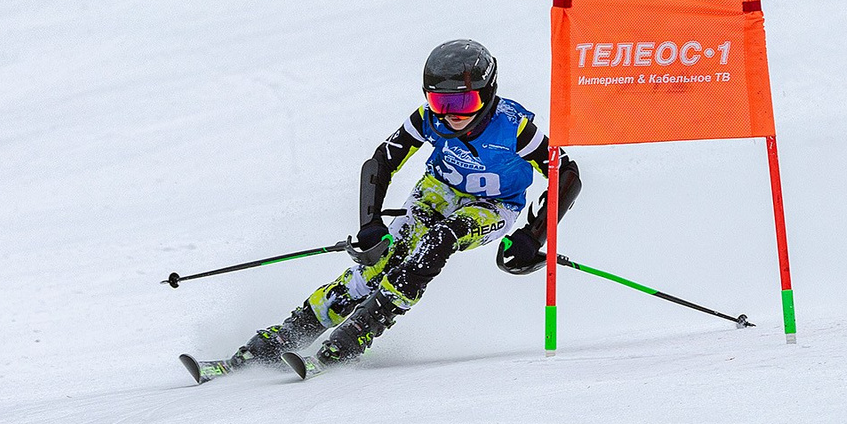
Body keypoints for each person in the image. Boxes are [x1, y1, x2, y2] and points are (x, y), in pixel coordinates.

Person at [184, 39, 581, 381]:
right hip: (438, 190)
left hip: (494, 206)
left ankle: (360, 331)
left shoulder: (514, 127)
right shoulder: (429, 119)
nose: (451, 113)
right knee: (379, 262)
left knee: (442, 240)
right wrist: (371, 225)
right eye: (440, 100)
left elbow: (567, 174)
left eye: (465, 100)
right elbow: (381, 163)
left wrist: (533, 236)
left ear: (489, 94)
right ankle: (285, 336)